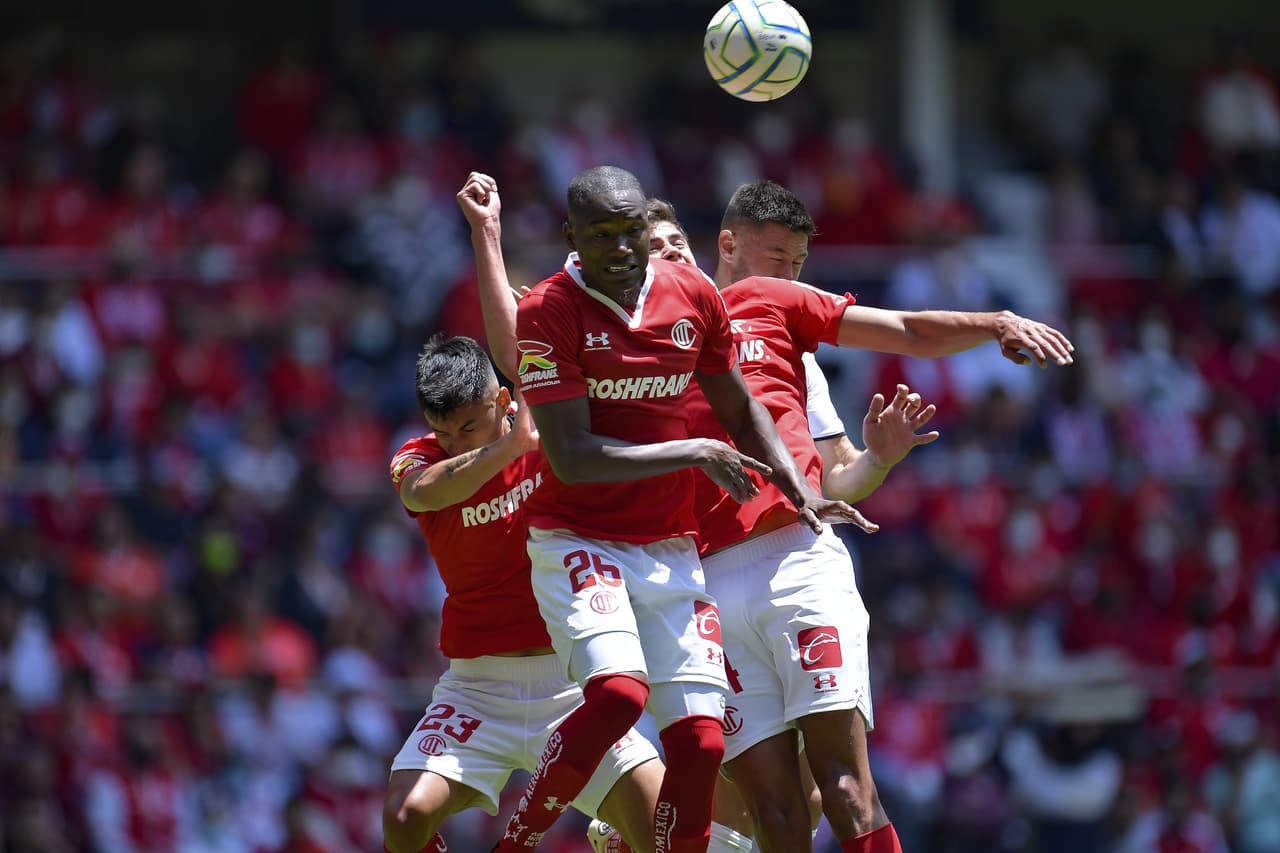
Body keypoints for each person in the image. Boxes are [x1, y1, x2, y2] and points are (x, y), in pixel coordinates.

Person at [465, 165, 870, 853]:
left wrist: (801, 492)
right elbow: (571, 456)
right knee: (620, 694)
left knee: (703, 742)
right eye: (605, 235)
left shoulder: (694, 299)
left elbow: (742, 408)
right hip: (578, 538)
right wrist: (693, 452)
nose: (623, 249)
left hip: (671, 547)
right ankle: (519, 836)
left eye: (633, 232)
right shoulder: (551, 310)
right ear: (573, 239)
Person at [679, 180, 1072, 853]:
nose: (792, 274)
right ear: (726, 244)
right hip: (707, 585)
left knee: (844, 788)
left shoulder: (778, 313)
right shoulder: (651, 338)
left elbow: (843, 467)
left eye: (799, 263)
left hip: (795, 561)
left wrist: (883, 457)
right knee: (776, 814)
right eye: (780, 257)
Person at [381, 334, 667, 853]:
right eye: (442, 432)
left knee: (661, 832)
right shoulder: (419, 458)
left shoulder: (552, 440)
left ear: (504, 402)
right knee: (404, 819)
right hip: (478, 690)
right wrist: (505, 447)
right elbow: (421, 493)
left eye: (468, 426)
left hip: (571, 685)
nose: (454, 443)